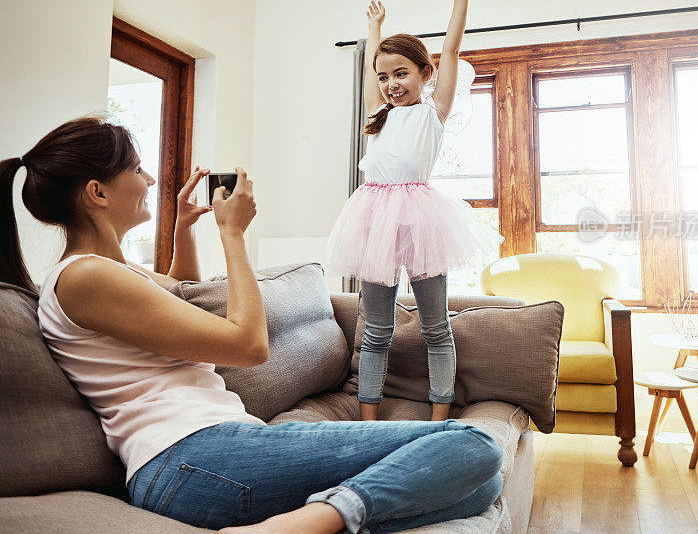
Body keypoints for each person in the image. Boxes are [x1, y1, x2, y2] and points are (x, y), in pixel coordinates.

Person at [0, 114, 503, 533]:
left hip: (210, 457)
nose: (150, 179)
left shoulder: (110, 272)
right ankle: (305, 525)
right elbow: (247, 345)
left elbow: (178, 295)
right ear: (97, 192)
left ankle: (321, 513)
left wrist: (183, 230)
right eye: (136, 169)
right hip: (193, 456)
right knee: (473, 444)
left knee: (482, 482)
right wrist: (233, 236)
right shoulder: (85, 277)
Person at [327, 0, 498, 423]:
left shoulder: (432, 112)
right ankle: (368, 422)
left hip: (422, 221)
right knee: (376, 331)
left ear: (425, 74)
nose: (390, 84)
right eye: (384, 77)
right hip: (373, 221)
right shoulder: (376, 118)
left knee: (434, 327)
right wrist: (375, 30)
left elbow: (453, 45)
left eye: (401, 74)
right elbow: (370, 73)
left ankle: (439, 418)